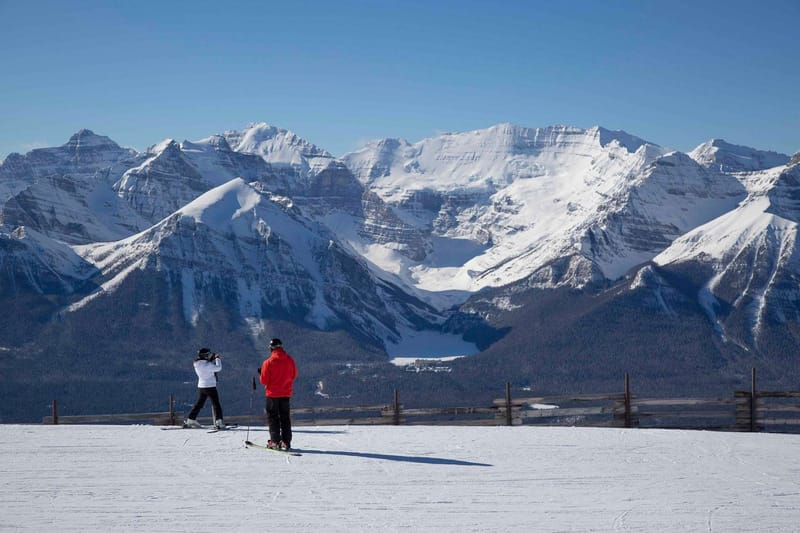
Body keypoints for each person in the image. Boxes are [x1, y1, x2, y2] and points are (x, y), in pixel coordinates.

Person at [259, 338, 298, 450]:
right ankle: (286, 442)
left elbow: (264, 381)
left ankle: (275, 441)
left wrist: (261, 373)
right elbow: (294, 375)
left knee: (273, 418)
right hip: (285, 394)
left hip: (272, 395)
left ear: (271, 348)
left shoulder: (268, 362)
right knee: (285, 418)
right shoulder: (290, 360)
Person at [185, 347, 226, 429]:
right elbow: (218, 368)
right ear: (205, 355)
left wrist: (211, 359)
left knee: (199, 403)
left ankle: (191, 419)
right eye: (208, 355)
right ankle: (219, 422)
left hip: (201, 386)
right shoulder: (208, 365)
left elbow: (205, 364)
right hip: (210, 386)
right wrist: (217, 359)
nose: (209, 356)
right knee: (216, 404)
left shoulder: (196, 363)